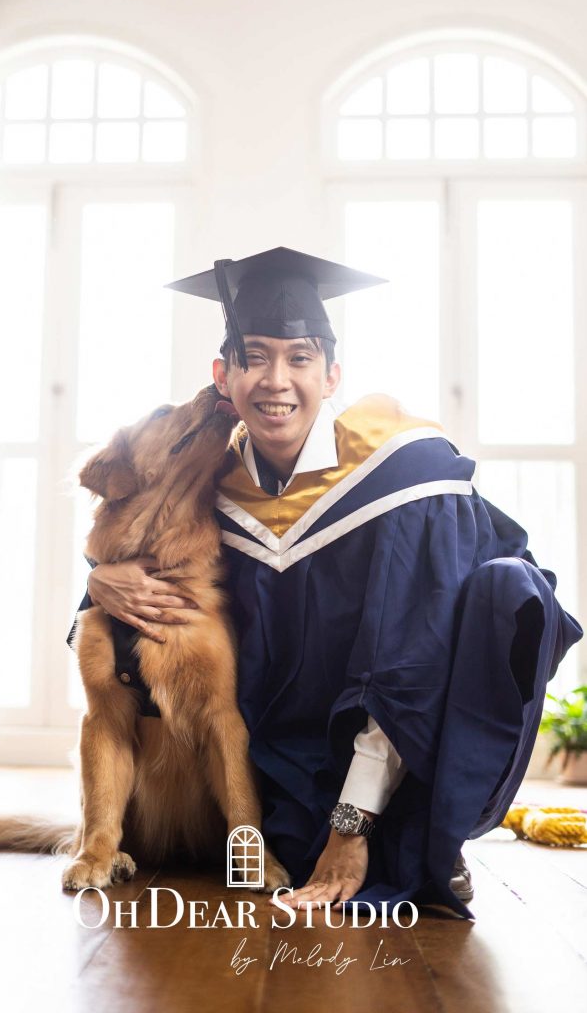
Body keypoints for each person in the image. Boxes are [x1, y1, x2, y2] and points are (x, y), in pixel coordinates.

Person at [73, 247, 583, 919]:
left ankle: (420, 830)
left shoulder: (402, 474)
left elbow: (413, 654)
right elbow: (137, 541)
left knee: (496, 591)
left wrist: (353, 824)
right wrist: (102, 578)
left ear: (331, 373)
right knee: (272, 849)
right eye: (254, 357)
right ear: (223, 377)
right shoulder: (211, 486)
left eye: (299, 358)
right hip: (282, 760)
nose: (275, 380)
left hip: (401, 744)